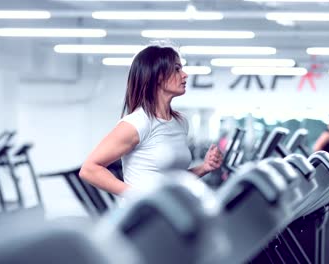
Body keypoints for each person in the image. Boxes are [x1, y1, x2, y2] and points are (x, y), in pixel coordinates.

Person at [79, 44, 223, 195]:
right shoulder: (136, 123)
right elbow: (89, 169)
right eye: (176, 69)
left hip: (170, 211)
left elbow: (174, 179)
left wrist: (204, 167)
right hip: (146, 214)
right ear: (158, 76)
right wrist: (139, 197)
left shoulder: (180, 122)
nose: (184, 74)